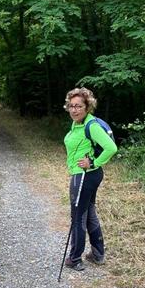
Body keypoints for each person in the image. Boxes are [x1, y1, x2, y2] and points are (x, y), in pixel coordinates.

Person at [63, 87, 117, 271]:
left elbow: (111, 148)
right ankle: (97, 254)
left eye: (79, 106)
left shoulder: (91, 125)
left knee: (78, 216)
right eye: (71, 106)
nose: (74, 110)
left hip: (85, 176)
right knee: (89, 212)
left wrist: (93, 162)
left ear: (87, 107)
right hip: (87, 175)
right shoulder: (77, 124)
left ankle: (75, 258)